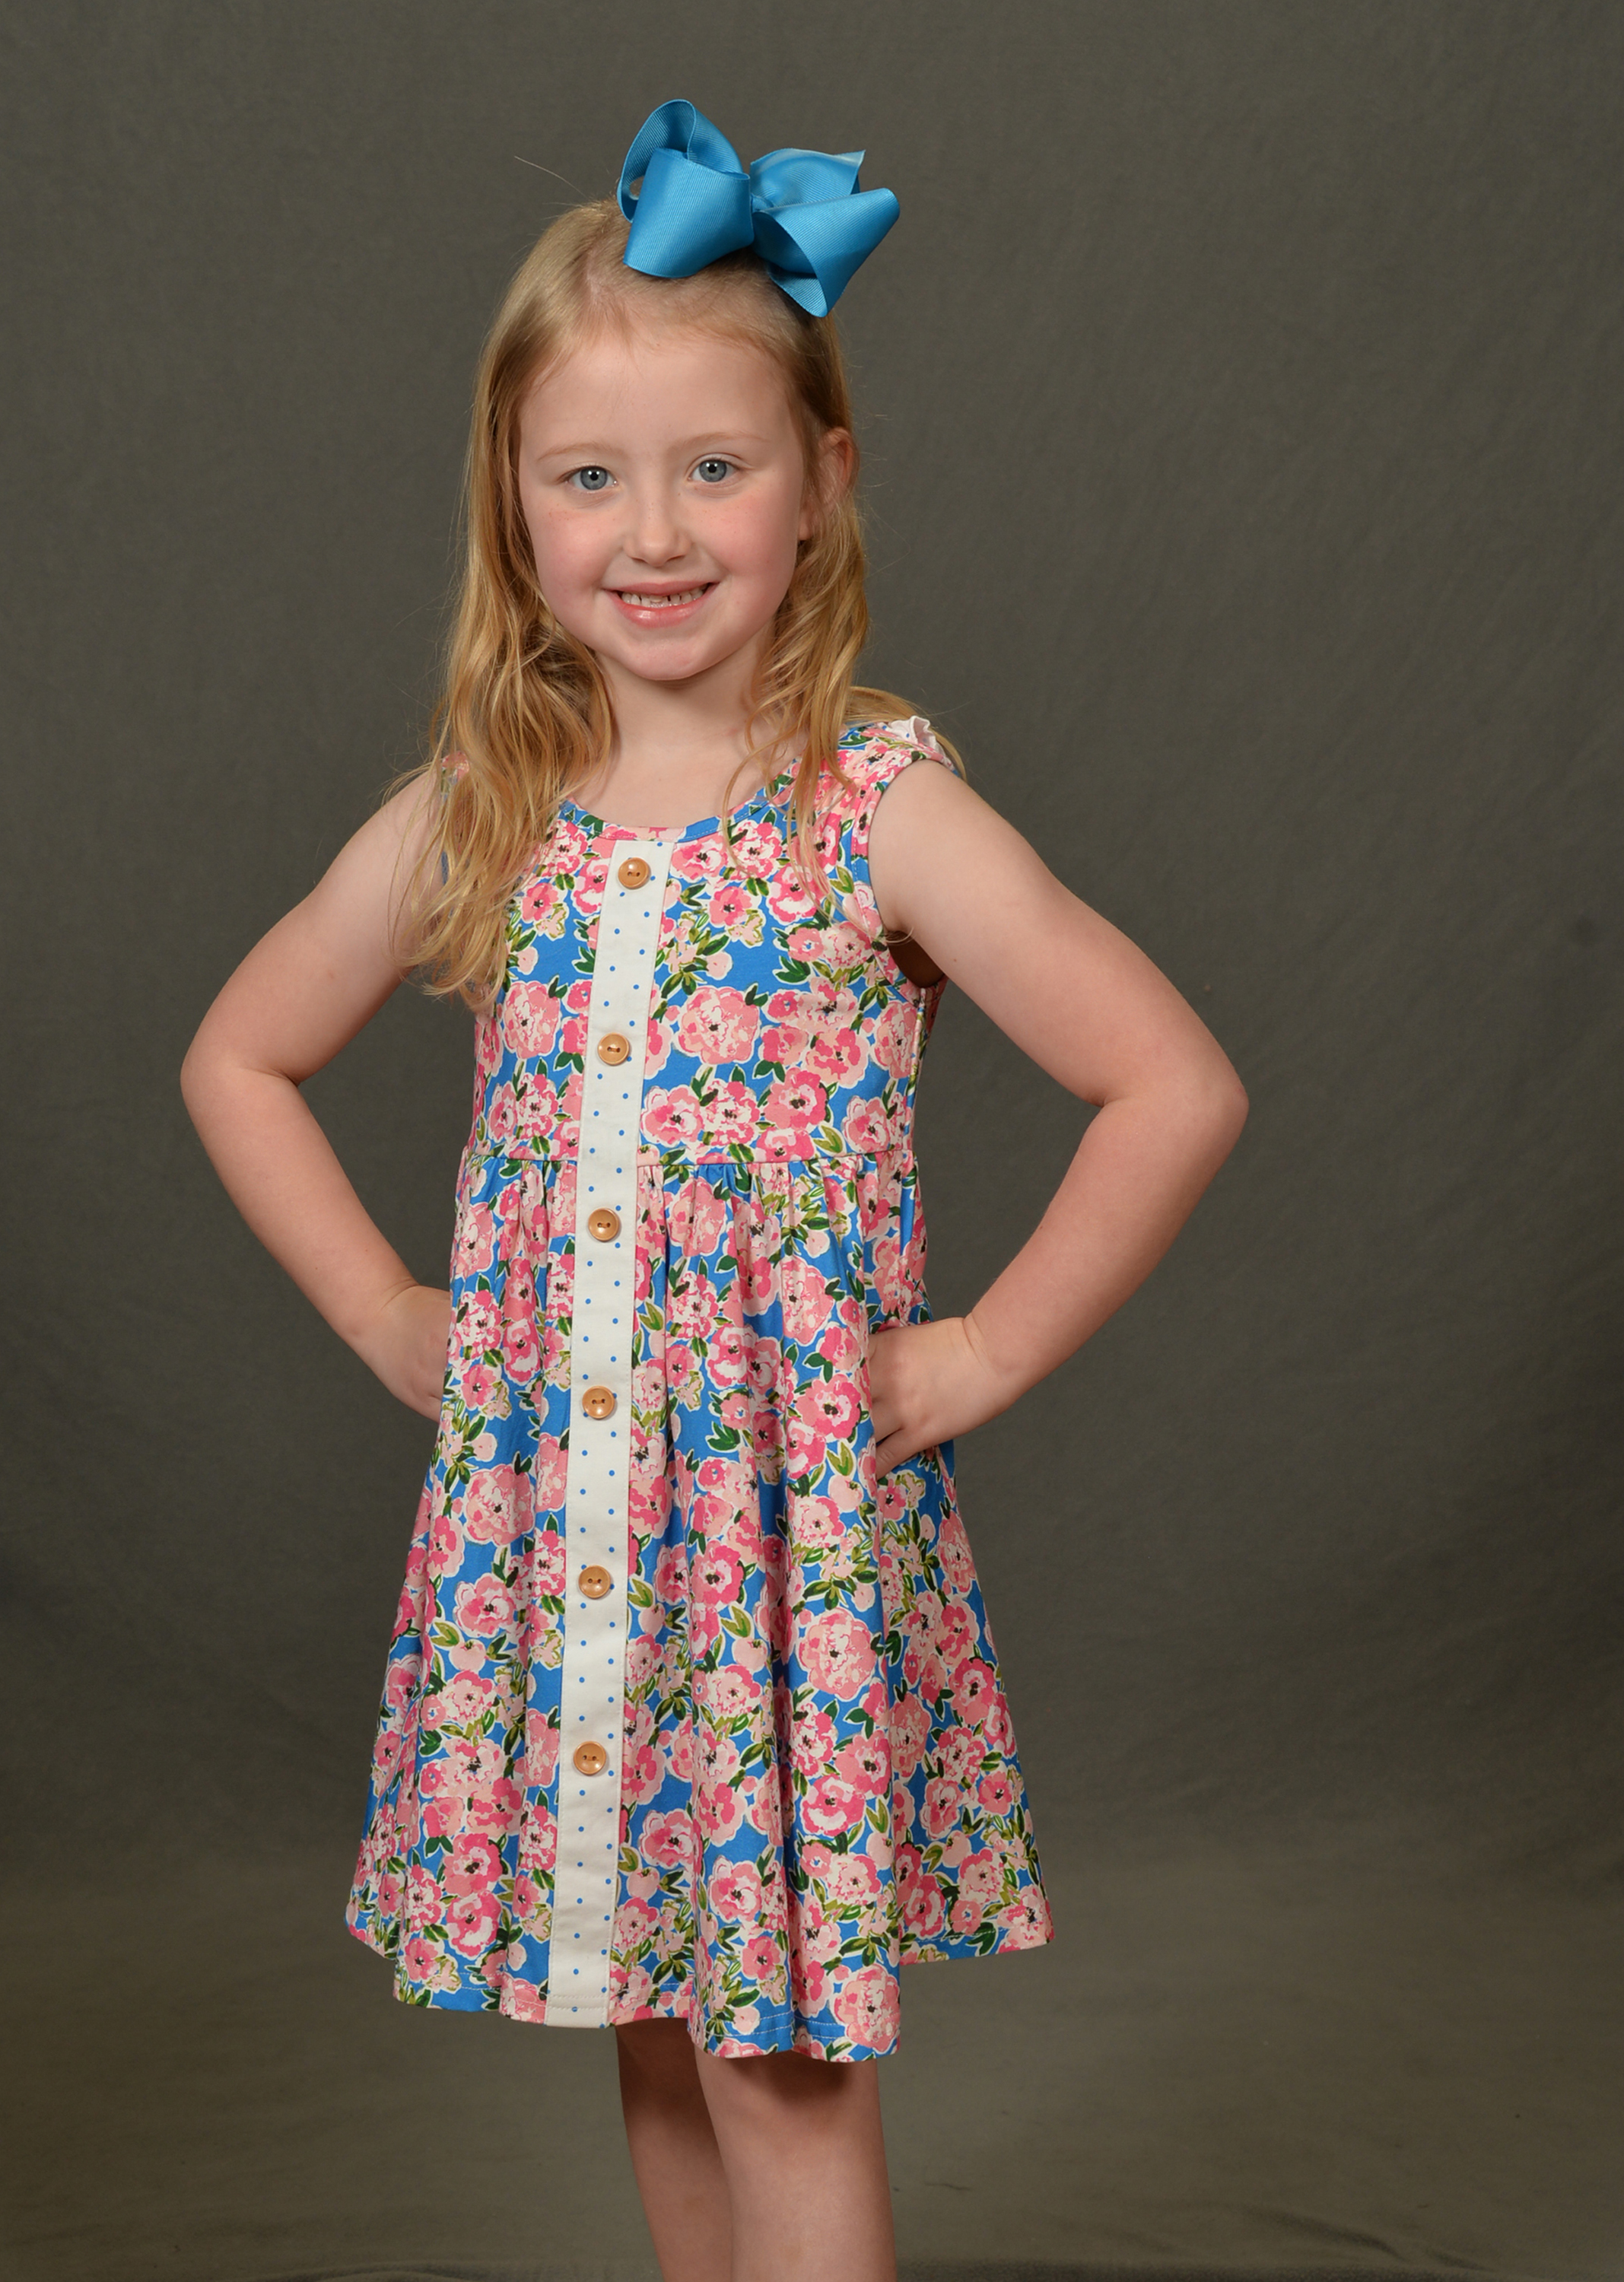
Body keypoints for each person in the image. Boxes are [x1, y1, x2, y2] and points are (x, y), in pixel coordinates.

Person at [182, 99, 1247, 2282]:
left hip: (766, 1551)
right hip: (569, 1541)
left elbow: (1170, 1084)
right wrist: (391, 1317)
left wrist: (978, 1353)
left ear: (822, 483)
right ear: (513, 504)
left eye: (714, 468)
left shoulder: (875, 810)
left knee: (776, 2066)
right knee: (654, 2034)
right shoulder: (487, 809)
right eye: (589, 477)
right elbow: (241, 1055)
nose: (652, 533)